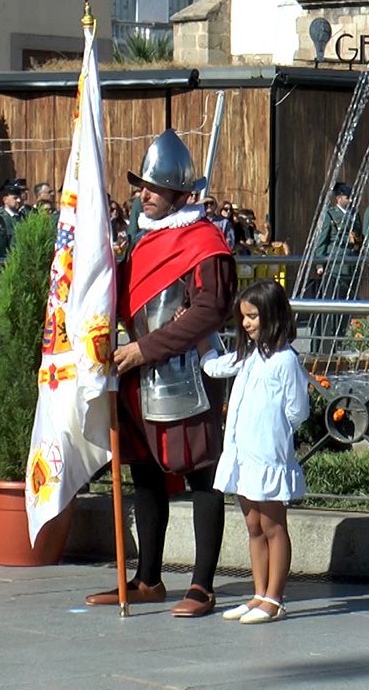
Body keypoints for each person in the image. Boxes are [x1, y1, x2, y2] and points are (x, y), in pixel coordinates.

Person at [85, 129, 236, 617]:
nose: (144, 195)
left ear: (179, 194)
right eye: (142, 187)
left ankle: (203, 586)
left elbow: (210, 310)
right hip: (137, 374)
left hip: (186, 375)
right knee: (146, 474)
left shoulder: (205, 243)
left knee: (202, 476)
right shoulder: (144, 240)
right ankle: (148, 578)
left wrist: (145, 349)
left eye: (154, 188)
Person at [201, 280, 310, 625]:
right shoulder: (250, 356)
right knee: (253, 524)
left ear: (272, 315)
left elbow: (298, 409)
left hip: (268, 453)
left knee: (272, 524)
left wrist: (275, 429)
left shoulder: (285, 360)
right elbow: (214, 366)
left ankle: (274, 598)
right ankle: (259, 593)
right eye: (243, 317)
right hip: (243, 452)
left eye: (253, 316)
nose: (246, 324)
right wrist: (202, 336)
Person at [309, 181, 360, 352]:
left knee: (347, 304)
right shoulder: (330, 215)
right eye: (348, 197)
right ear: (338, 198)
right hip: (335, 265)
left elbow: (359, 237)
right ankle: (330, 339)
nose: (351, 200)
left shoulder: (354, 215)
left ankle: (342, 337)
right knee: (334, 304)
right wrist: (320, 263)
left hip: (350, 264)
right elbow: (322, 241)